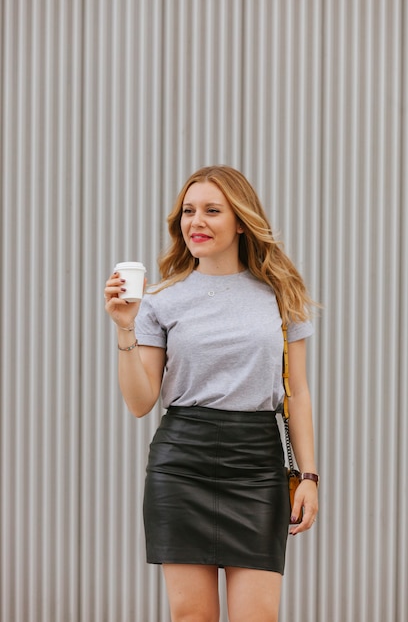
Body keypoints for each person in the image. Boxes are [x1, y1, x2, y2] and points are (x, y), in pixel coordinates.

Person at [104, 165, 319, 622]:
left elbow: (296, 392)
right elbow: (141, 402)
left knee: (257, 617)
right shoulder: (160, 300)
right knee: (192, 617)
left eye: (211, 210)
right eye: (188, 211)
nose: (195, 222)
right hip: (182, 464)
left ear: (241, 220)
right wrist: (126, 327)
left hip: (257, 465)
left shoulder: (281, 296)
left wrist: (310, 478)